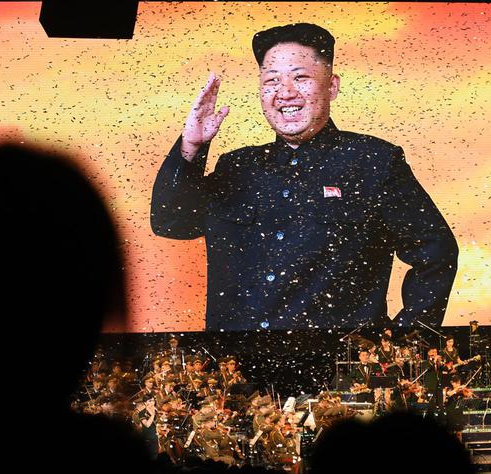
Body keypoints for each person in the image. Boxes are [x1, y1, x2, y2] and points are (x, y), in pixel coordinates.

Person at [151, 22, 458, 331]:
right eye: (272, 80)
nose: (285, 92)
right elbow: (171, 222)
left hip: (337, 373)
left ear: (332, 86)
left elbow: (437, 254)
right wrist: (191, 148)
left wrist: (399, 346)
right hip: (237, 370)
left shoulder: (373, 162)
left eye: (300, 77)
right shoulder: (236, 167)